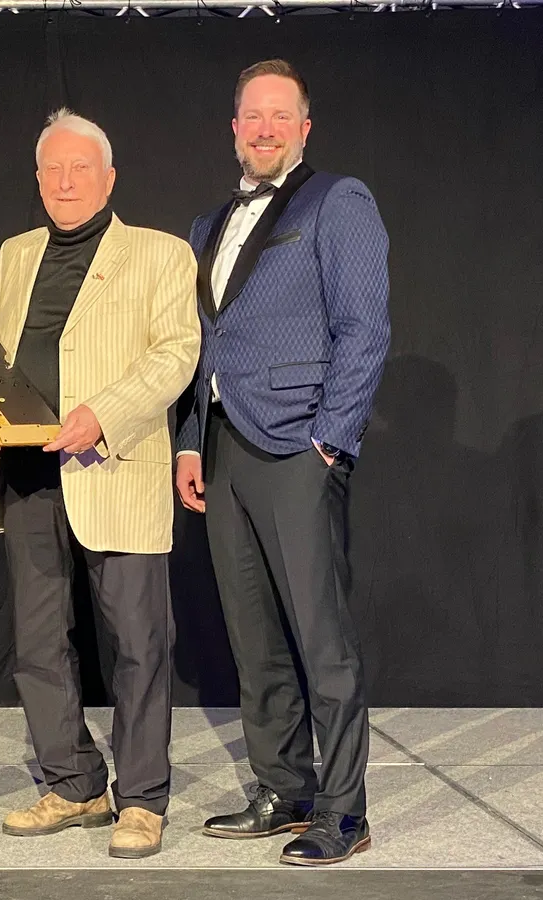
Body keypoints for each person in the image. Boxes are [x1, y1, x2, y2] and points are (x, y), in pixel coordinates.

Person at [0, 108, 200, 859]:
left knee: (138, 641)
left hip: (115, 465)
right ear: (37, 179)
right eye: (52, 170)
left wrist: (104, 414)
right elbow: (11, 345)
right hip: (29, 470)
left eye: (80, 168)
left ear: (109, 177)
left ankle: (143, 799)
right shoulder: (15, 253)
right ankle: (73, 784)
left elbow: (177, 353)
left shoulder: (160, 254)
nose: (65, 182)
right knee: (37, 641)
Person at [175, 60, 390, 866]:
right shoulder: (206, 225)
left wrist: (331, 438)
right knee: (252, 633)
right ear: (234, 128)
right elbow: (198, 344)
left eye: (280, 116)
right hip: (223, 445)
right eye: (252, 116)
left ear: (304, 127)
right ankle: (283, 787)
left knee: (320, 636)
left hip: (299, 443)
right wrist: (189, 440)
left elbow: (365, 326)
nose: (264, 129)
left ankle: (343, 810)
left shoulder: (338, 200)